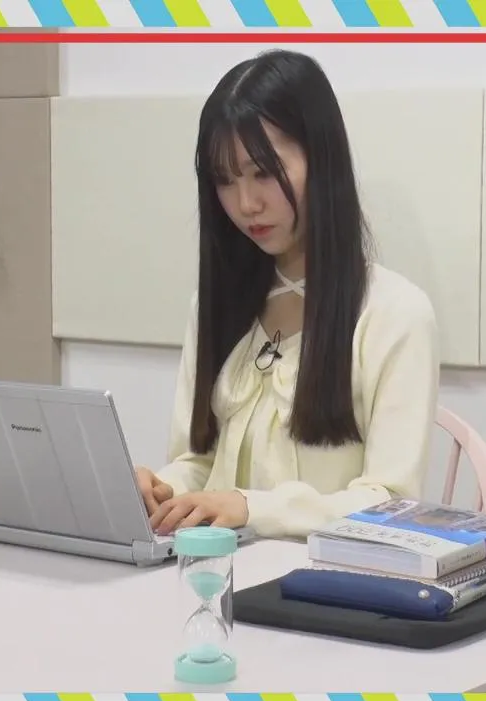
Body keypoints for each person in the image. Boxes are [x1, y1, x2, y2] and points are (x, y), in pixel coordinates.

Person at [134, 49, 441, 540]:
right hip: (220, 567)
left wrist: (250, 508)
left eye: (263, 172)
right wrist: (162, 489)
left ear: (322, 161)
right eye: (224, 180)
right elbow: (201, 461)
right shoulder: (214, 305)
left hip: (322, 576)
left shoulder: (395, 313)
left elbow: (389, 502)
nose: (246, 203)